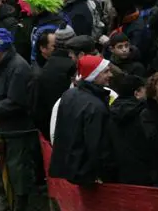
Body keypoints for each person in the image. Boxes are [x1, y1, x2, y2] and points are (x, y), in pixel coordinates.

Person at [0, 28, 37, 211]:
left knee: (17, 168)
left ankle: (21, 209)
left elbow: (17, 101)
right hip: (0, 125)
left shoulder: (19, 68)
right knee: (2, 164)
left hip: (17, 127)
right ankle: (8, 201)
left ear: (0, 48)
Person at [49, 55, 114, 187]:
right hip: (86, 173)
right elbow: (96, 145)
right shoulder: (95, 107)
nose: (110, 74)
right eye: (106, 72)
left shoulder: (69, 95)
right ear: (94, 75)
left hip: (69, 166)